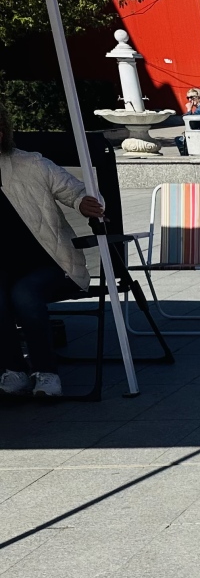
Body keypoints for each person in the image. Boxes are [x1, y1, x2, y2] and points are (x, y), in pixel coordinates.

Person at [0, 100, 103, 399]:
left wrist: (84, 203)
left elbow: (76, 190)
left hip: (50, 261)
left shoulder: (31, 164)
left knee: (24, 293)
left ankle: (46, 372)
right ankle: (14, 370)